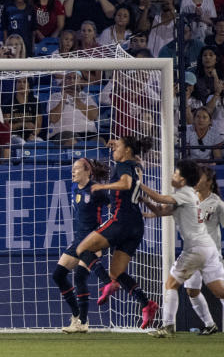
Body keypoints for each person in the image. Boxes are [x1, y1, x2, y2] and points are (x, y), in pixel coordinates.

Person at [73, 136, 159, 329]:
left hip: (121, 220)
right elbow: (134, 186)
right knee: (117, 271)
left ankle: (107, 283)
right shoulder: (136, 166)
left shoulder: (123, 166)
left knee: (82, 248)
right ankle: (146, 304)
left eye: (117, 146)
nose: (113, 150)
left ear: (127, 150)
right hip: (136, 224)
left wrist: (103, 186)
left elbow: (126, 184)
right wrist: (119, 144)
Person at [142, 161, 224, 338]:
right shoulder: (190, 195)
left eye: (176, 173)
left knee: (171, 284)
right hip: (205, 248)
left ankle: (168, 327)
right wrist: (144, 202)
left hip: (196, 249)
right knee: (219, 291)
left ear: (183, 179)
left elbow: (160, 199)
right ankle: (208, 325)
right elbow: (160, 211)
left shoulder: (186, 193)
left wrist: (138, 184)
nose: (173, 176)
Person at [52, 158, 112, 333]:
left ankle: (83, 322)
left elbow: (115, 210)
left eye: (77, 168)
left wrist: (105, 234)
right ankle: (77, 315)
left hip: (93, 241)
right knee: (58, 275)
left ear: (88, 171)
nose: (73, 171)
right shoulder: (74, 188)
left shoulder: (97, 190)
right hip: (78, 240)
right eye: (72, 168)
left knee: (79, 277)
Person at [184, 166, 224, 335]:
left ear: (209, 182)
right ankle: (210, 324)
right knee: (192, 291)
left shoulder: (217, 204)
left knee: (220, 292)